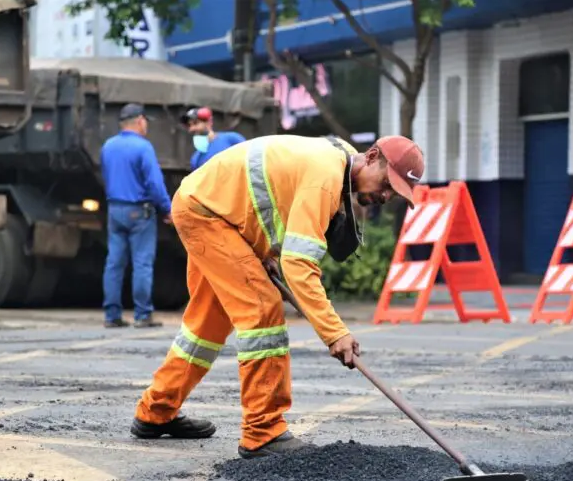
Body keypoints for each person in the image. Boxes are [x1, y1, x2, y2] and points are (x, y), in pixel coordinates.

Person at [130, 134, 424, 458]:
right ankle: (263, 430)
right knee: (262, 309)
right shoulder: (326, 177)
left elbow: (273, 205)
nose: (385, 196)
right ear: (371, 157)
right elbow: (299, 265)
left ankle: (156, 412)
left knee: (208, 324)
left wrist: (261, 254)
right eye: (386, 183)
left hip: (213, 210)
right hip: (208, 214)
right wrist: (335, 332)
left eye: (393, 193)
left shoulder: (338, 163)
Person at [100, 103, 173, 329]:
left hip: (115, 209)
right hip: (139, 211)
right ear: (140, 121)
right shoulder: (143, 148)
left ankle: (112, 316)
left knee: (114, 263)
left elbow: (105, 175)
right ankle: (142, 315)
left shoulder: (108, 146)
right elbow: (154, 183)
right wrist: (167, 208)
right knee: (142, 263)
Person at [180, 106, 246, 172]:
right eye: (189, 125)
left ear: (209, 122)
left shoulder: (232, 139)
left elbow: (250, 161)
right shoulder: (195, 159)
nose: (191, 129)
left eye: (195, 123)